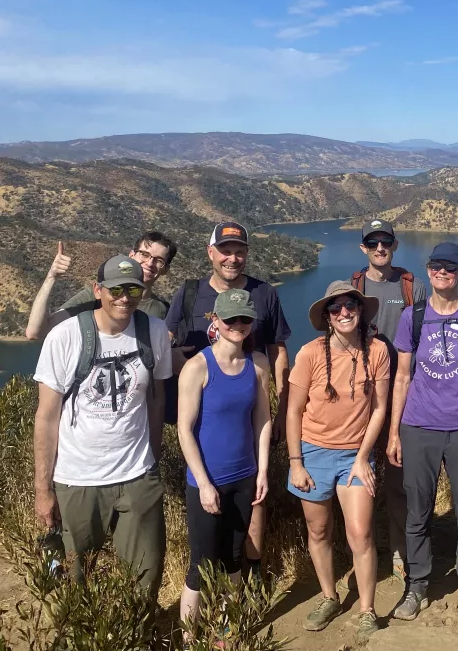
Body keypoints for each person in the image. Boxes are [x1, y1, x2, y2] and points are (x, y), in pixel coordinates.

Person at [32, 255, 172, 599]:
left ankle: (138, 637)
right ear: (98, 290)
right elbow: (46, 417)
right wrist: (43, 489)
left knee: (145, 576)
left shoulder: (153, 331)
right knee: (75, 579)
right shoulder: (66, 336)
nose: (125, 296)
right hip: (78, 480)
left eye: (133, 289)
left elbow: (156, 401)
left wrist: (153, 459)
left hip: (138, 476)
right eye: (116, 289)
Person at [166, 221, 291, 577]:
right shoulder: (189, 294)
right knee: (209, 508)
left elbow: (277, 348)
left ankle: (251, 573)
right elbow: (169, 345)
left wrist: (279, 404)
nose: (232, 258)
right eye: (225, 250)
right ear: (211, 253)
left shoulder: (264, 293)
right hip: (204, 423)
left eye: (239, 251)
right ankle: (212, 579)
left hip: (248, 414)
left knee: (253, 501)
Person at [388, 242, 458, 620]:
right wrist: (393, 433)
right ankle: (417, 584)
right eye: (436, 266)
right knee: (418, 511)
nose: (443, 272)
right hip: (419, 426)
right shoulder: (412, 317)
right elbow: (402, 377)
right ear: (428, 270)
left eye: (451, 267)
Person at [287, 281, 390, 643]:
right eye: (336, 309)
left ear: (361, 312)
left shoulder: (376, 351)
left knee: (360, 532)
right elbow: (294, 411)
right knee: (319, 531)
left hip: (353, 457)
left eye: (351, 306)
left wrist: (363, 458)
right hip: (313, 452)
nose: (344, 313)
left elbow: (379, 407)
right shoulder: (310, 354)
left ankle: (366, 610)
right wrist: (296, 463)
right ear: (328, 318)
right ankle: (330, 596)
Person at [177, 289, 273, 633]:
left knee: (234, 557)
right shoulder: (197, 368)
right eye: (230, 319)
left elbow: (263, 420)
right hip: (207, 482)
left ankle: (227, 629)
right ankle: (190, 638)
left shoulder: (258, 364)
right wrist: (203, 484)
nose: (238, 325)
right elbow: (185, 431)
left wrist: (262, 471)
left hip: (244, 476)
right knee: (199, 565)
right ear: (215, 320)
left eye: (245, 319)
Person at [350, 218, 427, 581]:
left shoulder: (411, 286)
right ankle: (361, 552)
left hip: (404, 397)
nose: (380, 248)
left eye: (386, 242)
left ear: (394, 246)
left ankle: (399, 549)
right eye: (373, 243)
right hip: (361, 400)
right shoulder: (355, 287)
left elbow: (431, 338)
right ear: (364, 248)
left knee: (397, 480)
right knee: (359, 479)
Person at [25, 231, 177, 339]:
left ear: (165, 270)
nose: (150, 263)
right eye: (144, 254)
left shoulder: (162, 310)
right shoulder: (97, 296)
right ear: (131, 255)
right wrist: (51, 277)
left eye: (158, 260)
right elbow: (36, 333)